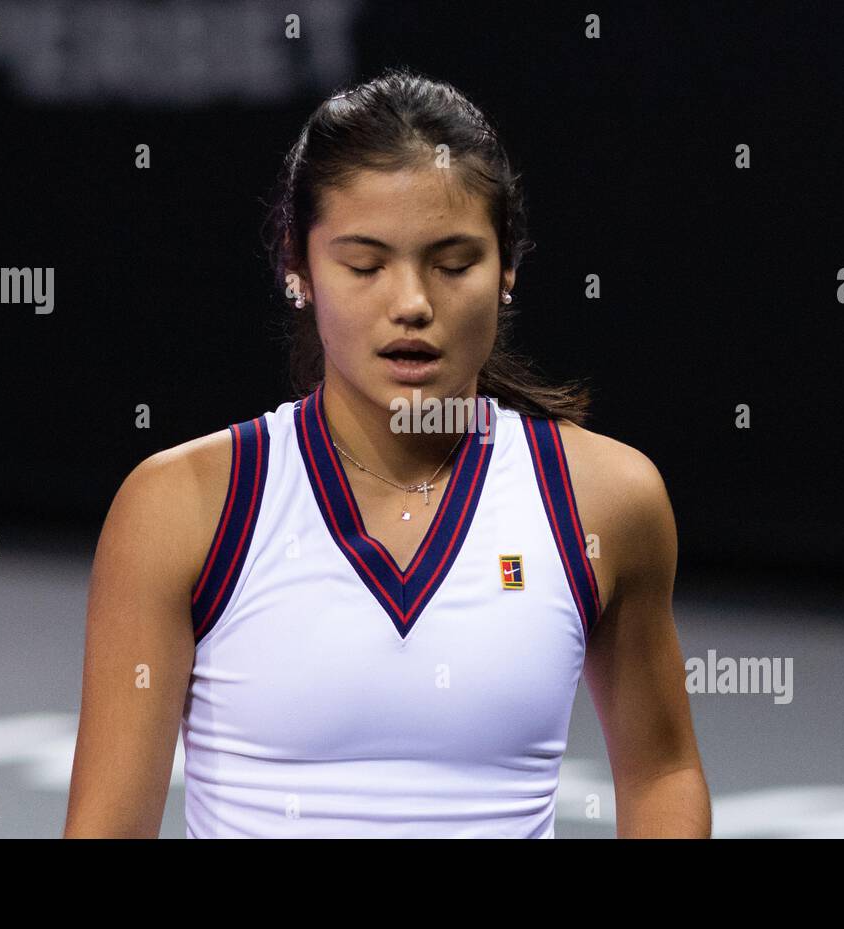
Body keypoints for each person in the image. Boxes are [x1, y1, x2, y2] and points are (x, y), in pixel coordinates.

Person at [63, 67, 709, 838]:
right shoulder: (181, 507)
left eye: (453, 263)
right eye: (365, 265)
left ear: (509, 270)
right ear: (297, 270)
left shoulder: (606, 499)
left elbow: (662, 772)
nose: (411, 303)